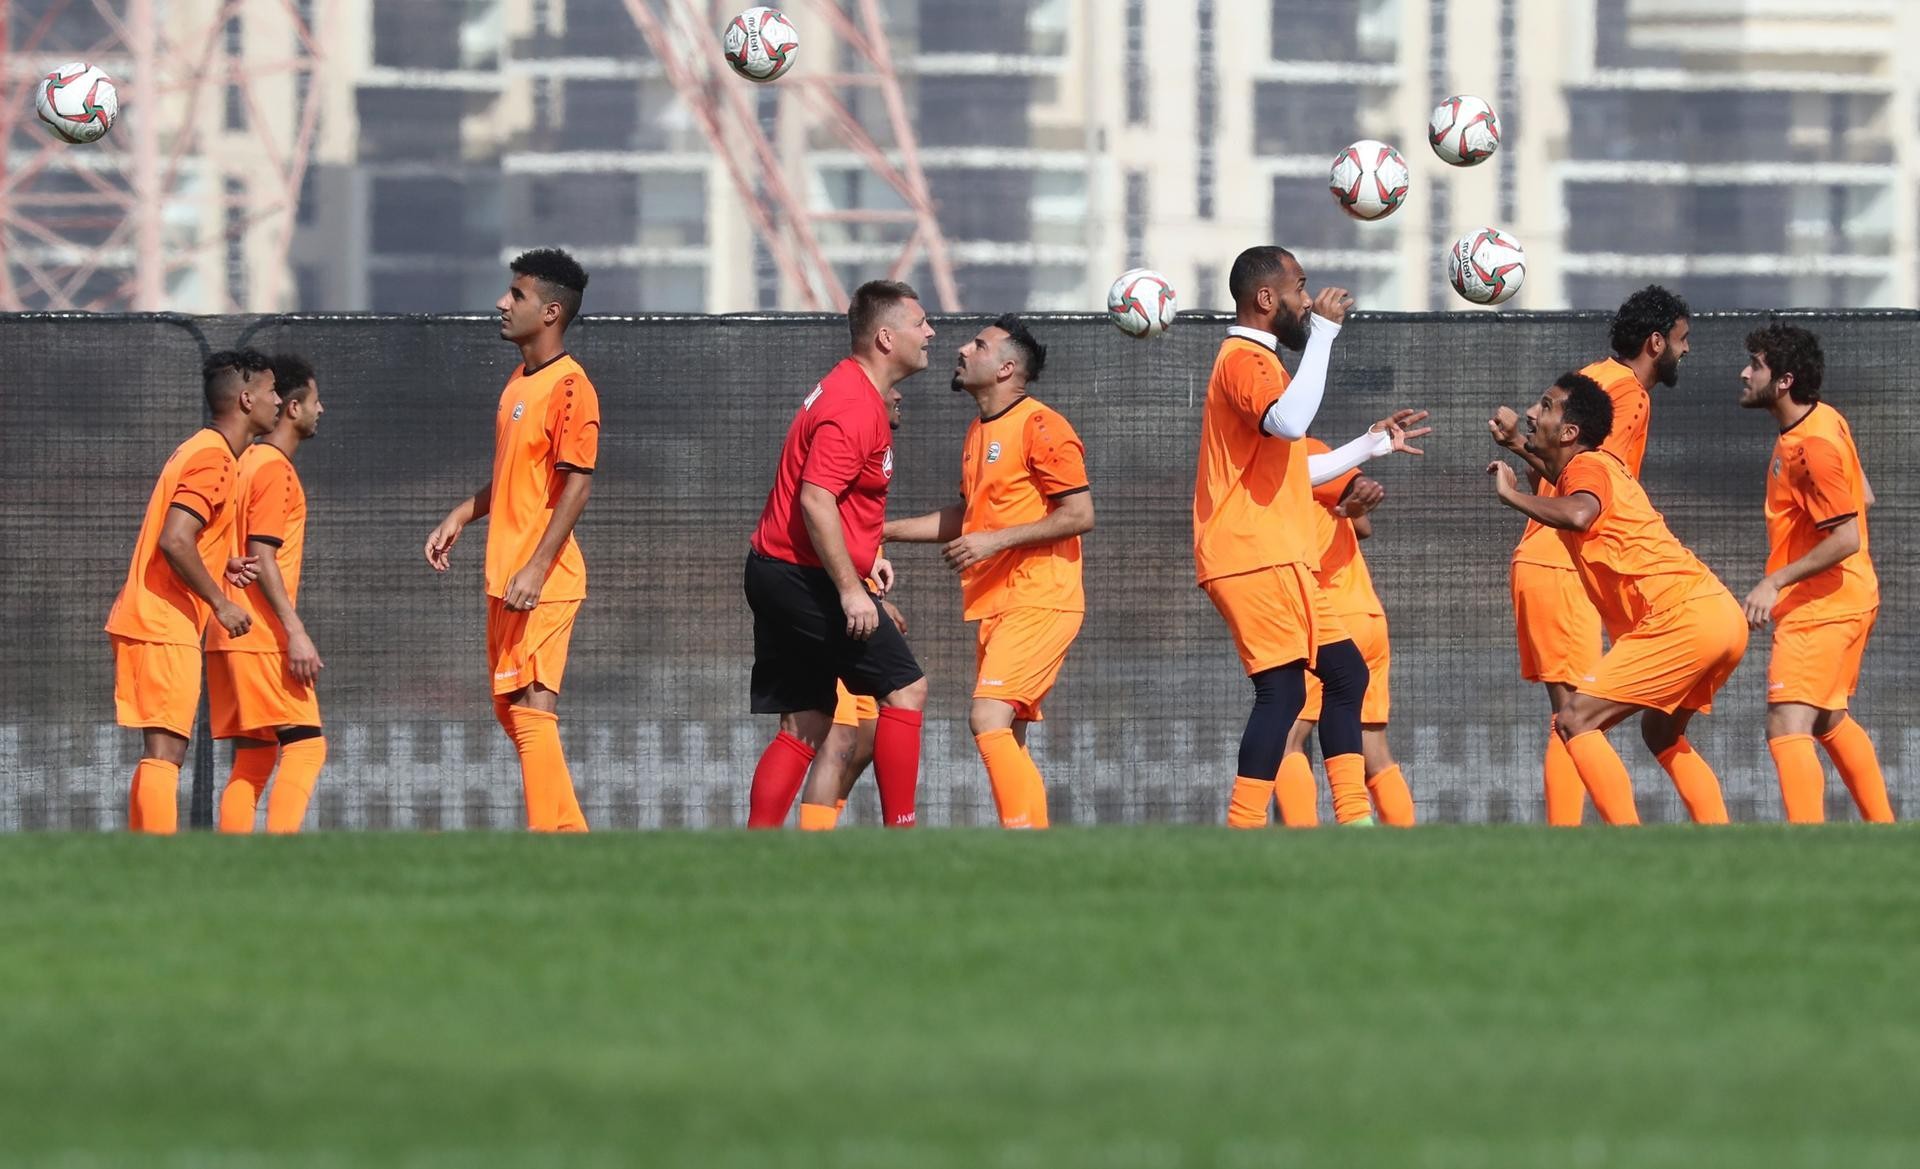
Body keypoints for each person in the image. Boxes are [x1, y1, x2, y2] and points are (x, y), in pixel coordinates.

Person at [1194, 245, 1428, 829]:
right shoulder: (1244, 356)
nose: (1307, 299)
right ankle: (1242, 828)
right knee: (1281, 693)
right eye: (1300, 288)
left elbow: (1291, 466)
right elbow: (1291, 422)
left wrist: (1366, 447)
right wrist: (1322, 333)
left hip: (1277, 557)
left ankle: (1354, 825)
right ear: (1266, 299)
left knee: (1347, 675)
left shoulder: (1263, 362)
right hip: (1251, 555)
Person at [1489, 373, 1745, 825]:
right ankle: (1720, 839)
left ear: (1569, 432)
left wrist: (1512, 495)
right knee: (1661, 733)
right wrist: (1515, 446)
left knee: (1573, 721)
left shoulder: (1588, 470)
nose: (1532, 412)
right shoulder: (1592, 466)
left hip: (1680, 618)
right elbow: (1565, 483)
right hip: (1719, 614)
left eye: (1545, 406)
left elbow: (1580, 511)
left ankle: (1628, 844)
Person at [1488, 285, 1690, 825]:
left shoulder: (1590, 375)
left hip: (1550, 558)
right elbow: (1589, 495)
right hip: (1564, 559)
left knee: (1570, 715)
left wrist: (1517, 446)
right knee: (1576, 717)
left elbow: (1549, 471)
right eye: (1681, 339)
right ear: (1655, 342)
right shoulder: (1625, 392)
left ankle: (1568, 841)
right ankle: (1612, 838)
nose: (1685, 350)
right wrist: (1519, 451)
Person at [885, 315, 1093, 829]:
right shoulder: (980, 431)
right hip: (999, 602)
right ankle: (1030, 853)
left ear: (1005, 368)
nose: (961, 348)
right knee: (1011, 737)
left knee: (986, 717)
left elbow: (1079, 514)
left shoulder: (1042, 424)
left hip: (1041, 596)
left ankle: (1024, 847)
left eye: (978, 344)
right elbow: (968, 518)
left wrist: (993, 541)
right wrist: (882, 530)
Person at [745, 280, 932, 829]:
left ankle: (754, 852)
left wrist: (863, 553)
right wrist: (851, 590)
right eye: (919, 323)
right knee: (906, 689)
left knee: (807, 723)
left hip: (777, 568)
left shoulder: (854, 391)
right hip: (801, 576)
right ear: (885, 337)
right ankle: (903, 836)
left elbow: (838, 500)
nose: (930, 333)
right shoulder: (855, 404)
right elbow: (815, 497)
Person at [425, 248, 599, 832]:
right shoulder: (520, 381)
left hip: (544, 581)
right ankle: (572, 836)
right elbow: (514, 478)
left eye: (517, 295)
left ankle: (545, 843)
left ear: (551, 312)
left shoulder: (572, 386)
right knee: (512, 710)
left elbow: (577, 485)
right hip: (506, 576)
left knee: (532, 708)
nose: (502, 303)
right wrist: (463, 512)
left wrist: (537, 567)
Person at [105, 349, 277, 833]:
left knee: (160, 750)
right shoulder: (216, 459)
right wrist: (220, 602)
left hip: (151, 617)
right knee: (167, 750)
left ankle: (143, 862)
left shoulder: (201, 448)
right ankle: (160, 869)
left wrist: (222, 561)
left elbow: (184, 536)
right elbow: (175, 538)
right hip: (163, 621)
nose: (278, 401)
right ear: (246, 399)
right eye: (271, 391)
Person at [1735, 323, 1893, 823]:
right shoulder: (1824, 421)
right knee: (1829, 717)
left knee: (1787, 722)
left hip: (1821, 605)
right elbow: (1861, 496)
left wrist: (1775, 580)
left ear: (1782, 381)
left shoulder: (1811, 445)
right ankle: (1887, 831)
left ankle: (1808, 845)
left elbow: (1845, 537)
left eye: (1755, 365)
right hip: (1850, 597)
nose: (1744, 372)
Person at [206, 353, 329, 833]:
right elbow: (262, 558)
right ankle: (282, 856)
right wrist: (294, 631)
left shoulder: (244, 461)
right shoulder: (272, 468)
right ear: (294, 409)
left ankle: (233, 865)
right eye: (316, 401)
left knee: (255, 756)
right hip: (259, 632)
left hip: (229, 633)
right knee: (306, 745)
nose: (322, 410)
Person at [1274, 453, 1414, 827]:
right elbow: (1363, 525)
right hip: (1367, 615)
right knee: (1375, 749)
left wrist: (1341, 509)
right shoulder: (1315, 453)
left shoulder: (1276, 463)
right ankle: (1408, 843)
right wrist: (1343, 510)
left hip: (1326, 617)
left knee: (1286, 738)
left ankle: (1308, 846)